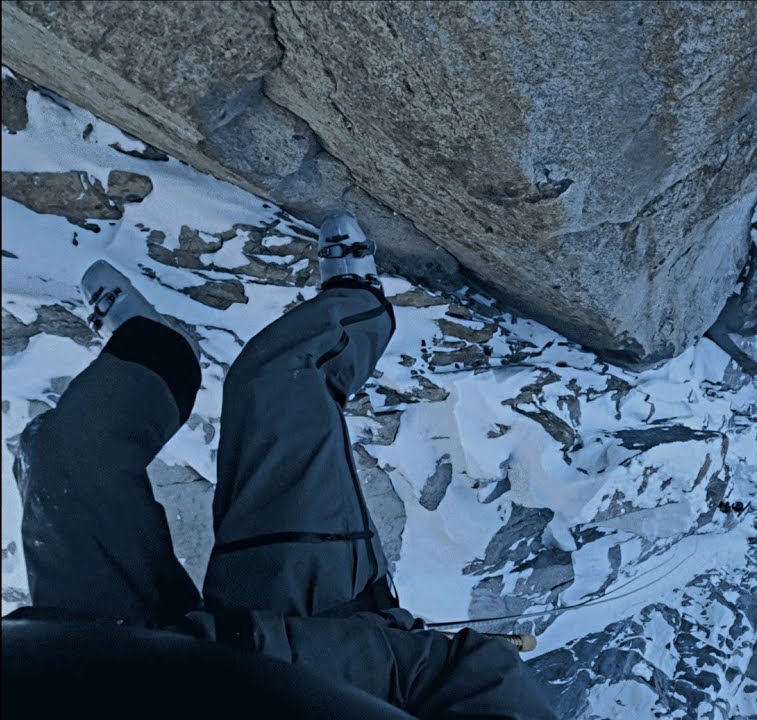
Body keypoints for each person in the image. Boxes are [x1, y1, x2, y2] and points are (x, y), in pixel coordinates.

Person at [5, 210, 557, 718]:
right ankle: (357, 306)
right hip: (310, 637)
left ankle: (152, 352)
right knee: (278, 379)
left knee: (62, 459)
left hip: (104, 668)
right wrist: (264, 651)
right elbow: (480, 679)